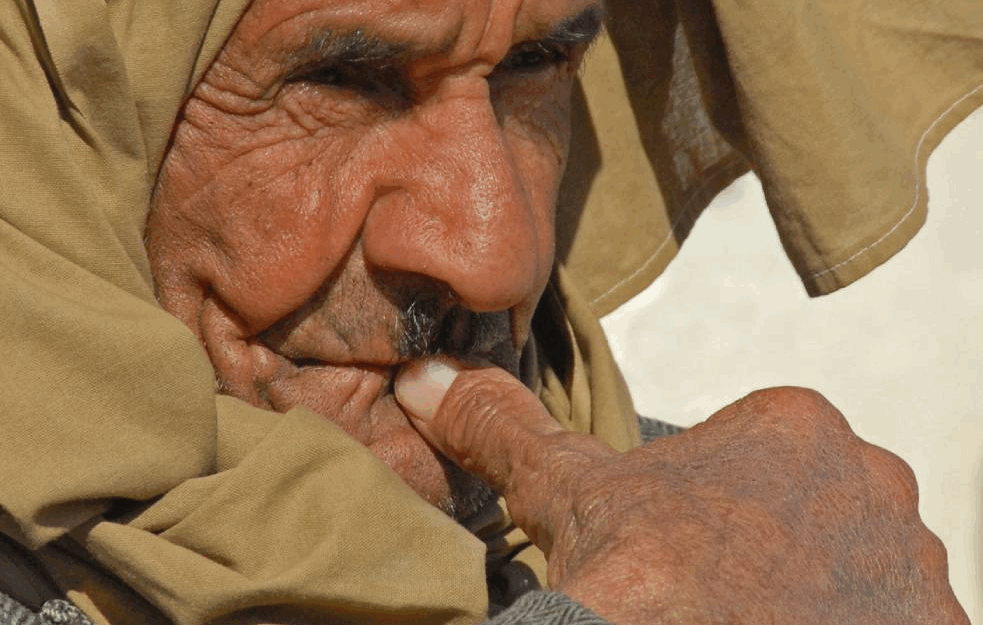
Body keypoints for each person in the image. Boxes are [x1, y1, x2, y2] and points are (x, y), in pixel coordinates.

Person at [1, 0, 980, 623]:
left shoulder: (735, 539)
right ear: (43, 137)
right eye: (339, 82)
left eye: (536, 67)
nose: (497, 253)